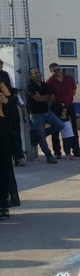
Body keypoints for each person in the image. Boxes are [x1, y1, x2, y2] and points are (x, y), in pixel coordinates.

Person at [46, 62, 80, 158]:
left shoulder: (69, 79)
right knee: (56, 129)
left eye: (58, 69)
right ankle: (57, 152)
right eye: (54, 70)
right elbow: (49, 96)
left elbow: (73, 91)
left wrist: (68, 100)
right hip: (57, 107)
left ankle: (76, 150)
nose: (57, 72)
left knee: (73, 128)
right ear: (51, 71)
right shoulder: (49, 82)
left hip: (69, 105)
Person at [26, 67, 65, 164]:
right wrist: (46, 97)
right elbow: (37, 99)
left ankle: (39, 135)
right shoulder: (29, 86)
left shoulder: (45, 85)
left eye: (38, 72)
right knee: (41, 135)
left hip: (47, 112)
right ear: (30, 76)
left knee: (60, 125)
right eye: (35, 73)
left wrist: (43, 98)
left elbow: (52, 98)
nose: (38, 74)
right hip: (36, 114)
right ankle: (49, 156)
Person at [0, 59, 26, 167]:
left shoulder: (5, 75)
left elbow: (13, 92)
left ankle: (19, 157)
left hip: (10, 108)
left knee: (15, 132)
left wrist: (21, 104)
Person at [0, 88, 20, 220]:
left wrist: (7, 101)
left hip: (2, 134)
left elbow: (14, 115)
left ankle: (2, 204)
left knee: (2, 169)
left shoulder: (3, 85)